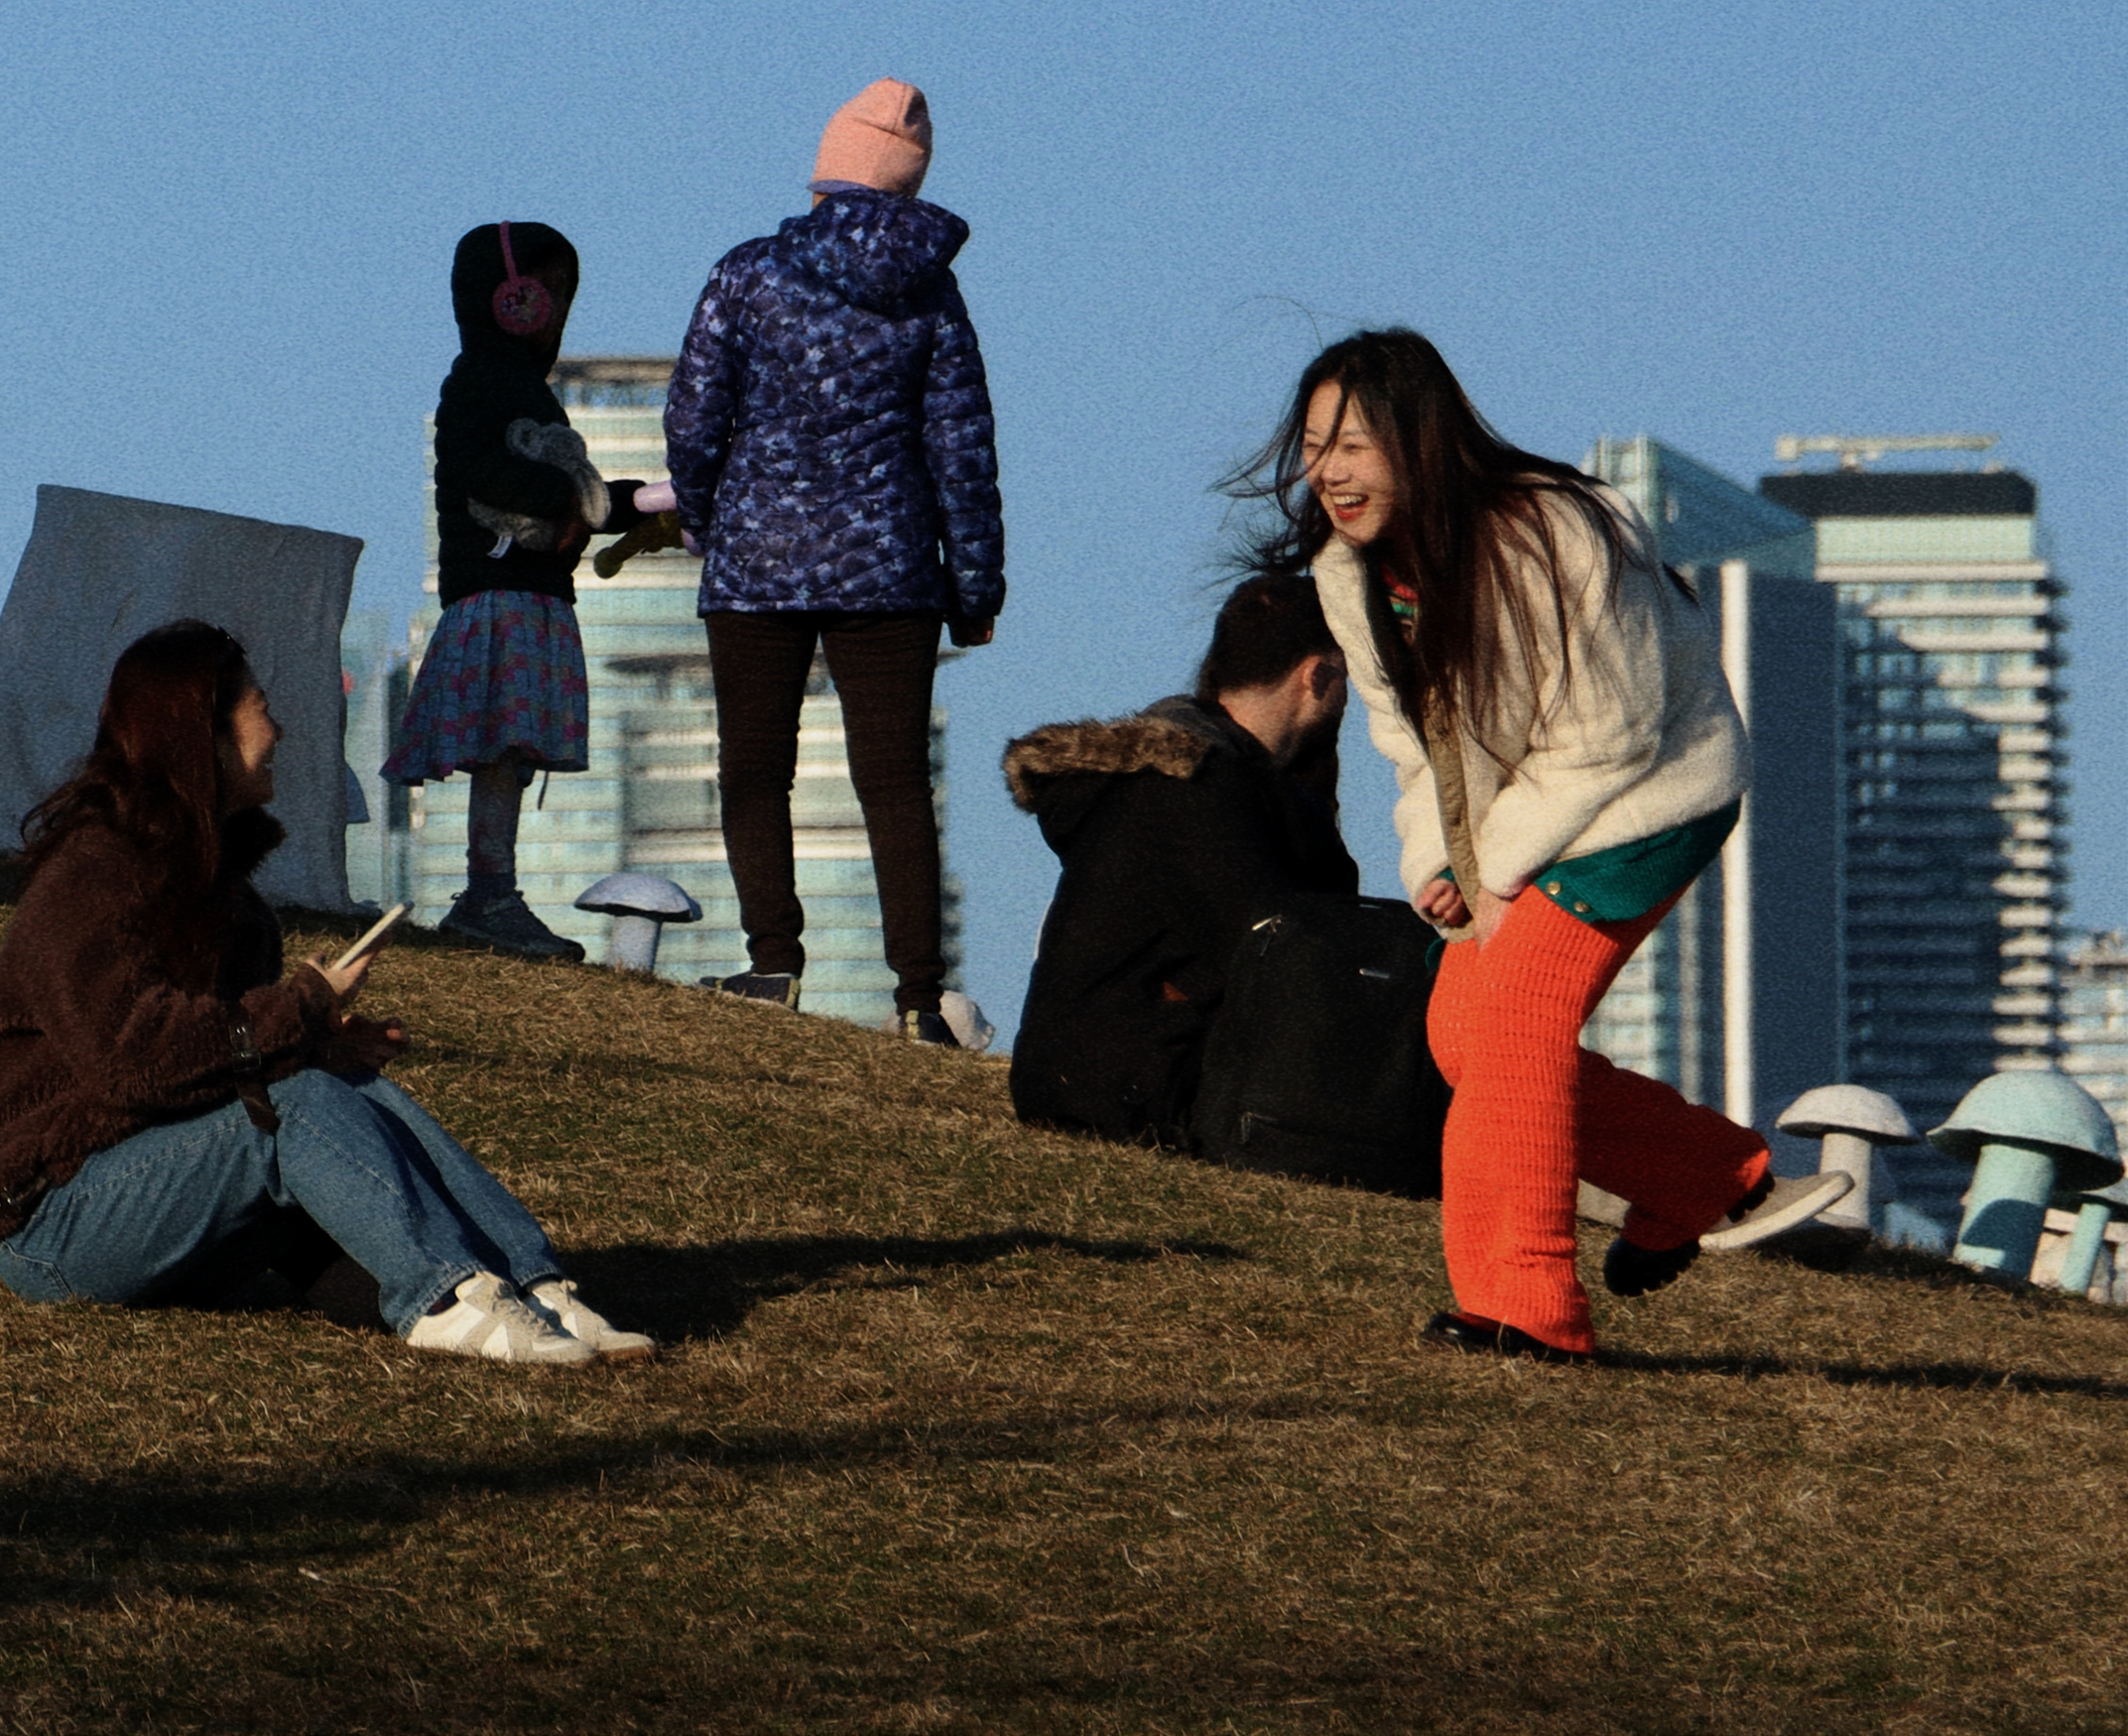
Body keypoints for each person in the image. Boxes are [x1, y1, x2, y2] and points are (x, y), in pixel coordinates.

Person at [1250, 329, 1846, 1362]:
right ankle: (1702, 1175)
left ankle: (1529, 1309)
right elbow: (1413, 741)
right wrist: (1442, 861)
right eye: (1312, 448)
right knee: (1459, 1035)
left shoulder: (1550, 531)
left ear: (1419, 440)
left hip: (1649, 797)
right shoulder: (1350, 573)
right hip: (1529, 815)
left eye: (1352, 445)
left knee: (1514, 1022)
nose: (1328, 473)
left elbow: (1611, 734)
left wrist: (1495, 870)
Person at [0, 619, 656, 1367]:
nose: (279, 730)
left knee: (342, 1087)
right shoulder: (94, 871)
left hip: (170, 1192)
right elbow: (134, 1059)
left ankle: (531, 1287)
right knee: (297, 1103)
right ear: (204, 732)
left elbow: (217, 1066)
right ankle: (443, 1300)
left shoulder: (230, 902)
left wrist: (317, 1045)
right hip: (53, 1220)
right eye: (261, 708)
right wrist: (300, 1008)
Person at [664, 80, 1002, 1030]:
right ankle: (920, 999)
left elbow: (693, 417)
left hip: (757, 561)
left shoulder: (747, 274)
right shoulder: (932, 292)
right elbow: (962, 446)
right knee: (894, 785)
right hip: (893, 568)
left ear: (825, 175)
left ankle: (773, 963)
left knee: (754, 770)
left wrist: (704, 518)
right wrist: (976, 585)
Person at [1003, 572, 1361, 1146]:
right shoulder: (1195, 787)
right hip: (1132, 1094)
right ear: (1316, 674)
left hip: (1109, 1075)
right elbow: (1272, 951)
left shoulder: (1218, 777)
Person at [379, 222, 645, 961]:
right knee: (502, 749)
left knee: (510, 753)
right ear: (507, 297)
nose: (557, 308)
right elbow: (484, 472)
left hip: (530, 597)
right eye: (546, 290)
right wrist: (579, 499)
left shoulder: (520, 388)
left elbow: (578, 496)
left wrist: (633, 503)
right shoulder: (478, 381)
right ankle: (488, 893)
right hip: (501, 593)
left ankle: (492, 889)